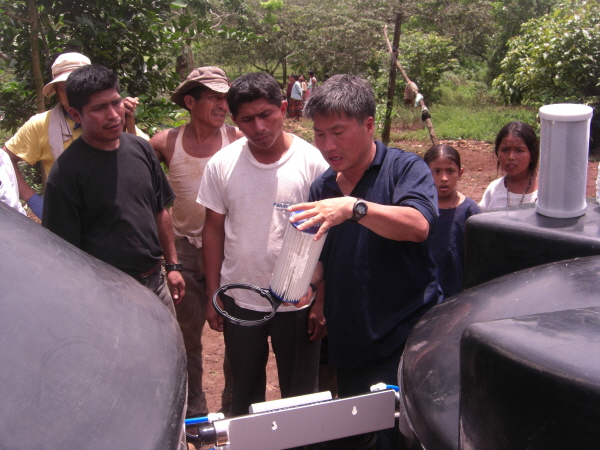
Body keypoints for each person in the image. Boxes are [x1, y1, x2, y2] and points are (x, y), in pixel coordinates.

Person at [288, 74, 442, 450]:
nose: (328, 145)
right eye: (319, 134)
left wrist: (354, 208)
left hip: (406, 338)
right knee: (365, 438)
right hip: (352, 341)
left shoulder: (405, 169)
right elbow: (323, 257)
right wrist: (306, 282)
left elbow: (418, 226)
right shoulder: (322, 187)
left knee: (408, 436)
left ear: (369, 125)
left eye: (338, 132)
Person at [197, 72, 328, 417]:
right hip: (239, 297)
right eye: (247, 120)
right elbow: (213, 230)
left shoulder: (313, 163)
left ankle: (300, 440)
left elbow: (330, 235)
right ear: (234, 120)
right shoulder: (222, 165)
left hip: (297, 301)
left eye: (266, 115)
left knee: (300, 395)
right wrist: (213, 294)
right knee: (244, 390)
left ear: (283, 109)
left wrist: (320, 299)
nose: (258, 127)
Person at [42, 64, 184, 316]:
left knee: (170, 341)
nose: (113, 115)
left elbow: (159, 210)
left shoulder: (141, 149)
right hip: (108, 294)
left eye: (116, 103)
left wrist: (172, 266)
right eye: (99, 108)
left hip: (156, 281)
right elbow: (64, 253)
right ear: (76, 114)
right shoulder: (66, 173)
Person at [150, 66, 243, 420]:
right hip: (184, 251)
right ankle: (194, 410)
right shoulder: (165, 142)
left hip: (230, 247)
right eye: (214, 98)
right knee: (187, 335)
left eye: (225, 98)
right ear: (190, 102)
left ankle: (233, 406)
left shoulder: (237, 139)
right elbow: (141, 177)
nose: (223, 105)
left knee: (237, 331)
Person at [2, 52, 147, 220]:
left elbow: (145, 155)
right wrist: (33, 199)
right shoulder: (41, 125)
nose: (75, 96)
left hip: (119, 214)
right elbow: (5, 160)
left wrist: (124, 119)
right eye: (66, 89)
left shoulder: (111, 120)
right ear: (57, 92)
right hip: (68, 216)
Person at [424, 144, 480, 298]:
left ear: (460, 173)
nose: (444, 178)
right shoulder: (419, 208)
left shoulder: (469, 211)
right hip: (423, 291)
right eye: (436, 171)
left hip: (458, 293)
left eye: (450, 171)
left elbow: (477, 259)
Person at [479, 121, 539, 212]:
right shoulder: (494, 190)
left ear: (532, 155)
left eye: (519, 150)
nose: (511, 157)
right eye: (505, 150)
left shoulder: (546, 192)